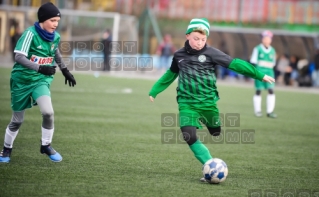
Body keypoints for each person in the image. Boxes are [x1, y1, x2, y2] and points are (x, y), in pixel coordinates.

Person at [148, 18, 275, 182]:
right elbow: (171, 74)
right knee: (188, 135)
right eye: (196, 38)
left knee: (216, 132)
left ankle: (210, 126)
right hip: (186, 103)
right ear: (187, 36)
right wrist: (154, 91)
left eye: (203, 39)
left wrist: (259, 74)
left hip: (208, 103)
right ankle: (209, 164)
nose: (199, 43)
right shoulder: (179, 55)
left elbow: (235, 64)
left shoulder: (212, 53)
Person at [0, 2, 76, 163]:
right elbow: (19, 57)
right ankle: (6, 149)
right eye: (52, 20)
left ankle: (46, 145)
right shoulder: (30, 34)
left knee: (48, 112)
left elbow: (55, 52)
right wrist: (40, 68)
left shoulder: (55, 36)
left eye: (57, 21)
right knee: (17, 121)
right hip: (21, 81)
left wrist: (65, 70)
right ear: (43, 19)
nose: (55, 24)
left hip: (40, 81)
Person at [250, 30, 277, 118]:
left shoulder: (273, 50)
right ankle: (257, 111)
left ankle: (270, 111)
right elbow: (253, 61)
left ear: (271, 40)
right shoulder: (257, 49)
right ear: (262, 39)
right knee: (258, 90)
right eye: (265, 38)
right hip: (260, 72)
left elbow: (273, 63)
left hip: (270, 72)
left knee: (271, 90)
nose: (267, 40)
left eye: (268, 39)